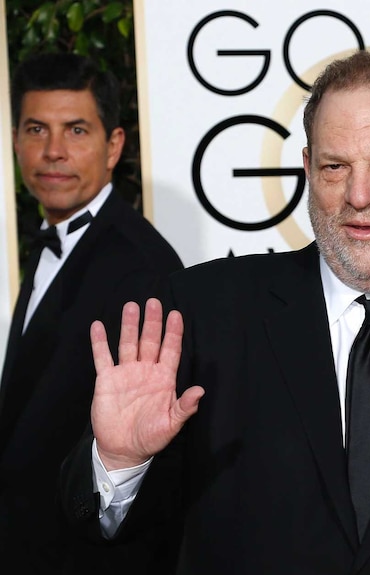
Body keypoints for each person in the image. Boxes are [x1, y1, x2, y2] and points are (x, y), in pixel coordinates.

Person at [59, 50, 370, 574]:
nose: (359, 196)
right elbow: (112, 537)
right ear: (307, 170)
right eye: (335, 166)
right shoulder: (203, 313)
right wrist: (120, 463)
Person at [0, 53, 183, 573]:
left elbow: (146, 466)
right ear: (16, 140)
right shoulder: (51, 243)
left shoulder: (143, 267)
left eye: (76, 130)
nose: (53, 151)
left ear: (113, 146)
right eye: (37, 129)